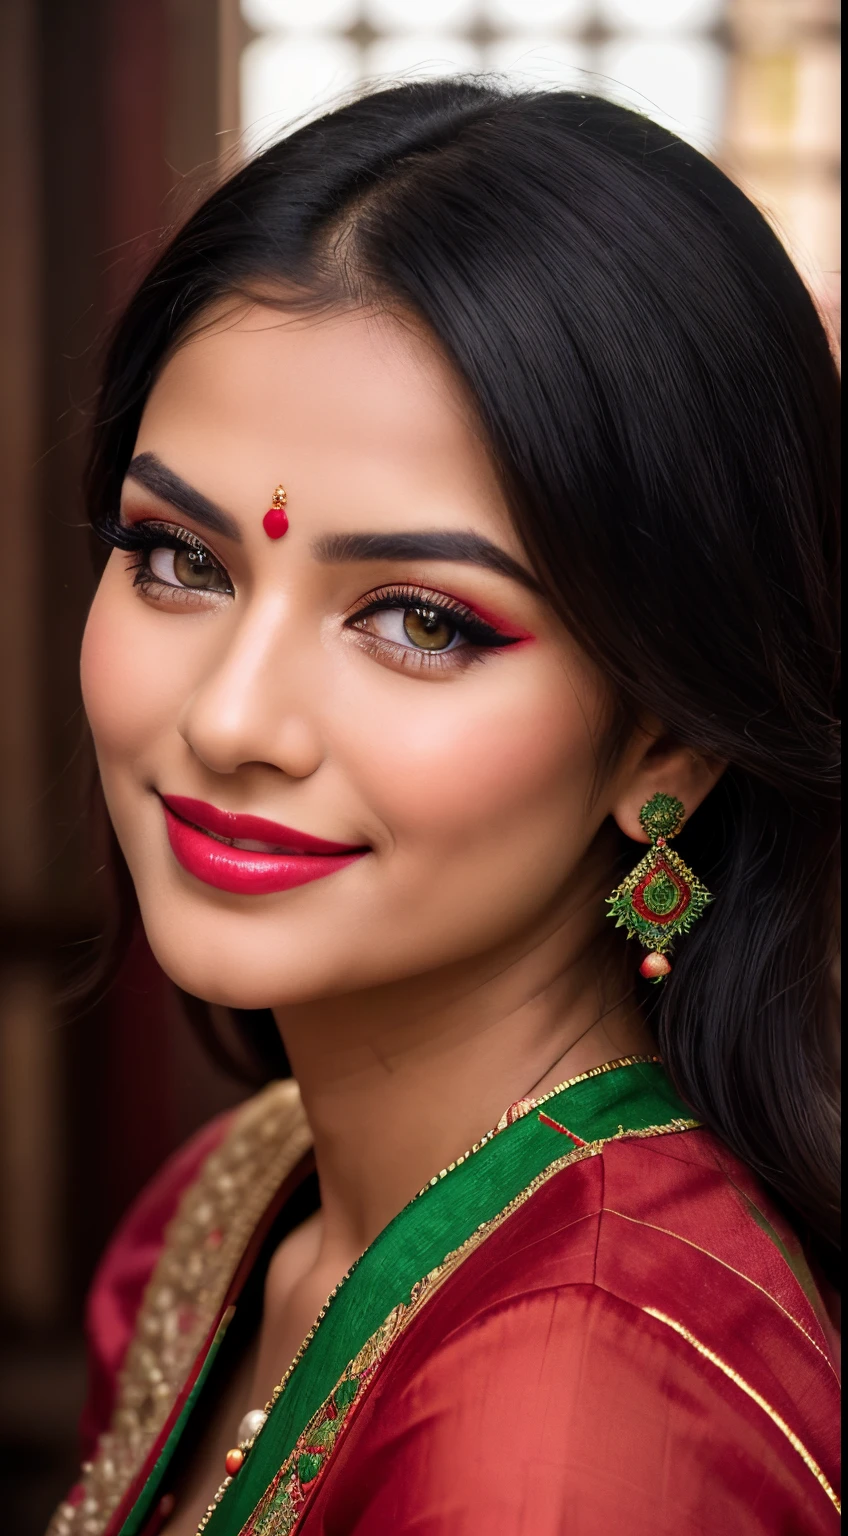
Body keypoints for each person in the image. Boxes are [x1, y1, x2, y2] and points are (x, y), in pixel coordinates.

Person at [49, 81, 840, 1536]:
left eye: (417, 621)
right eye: (177, 559)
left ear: (666, 740)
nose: (229, 718)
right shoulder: (234, 1203)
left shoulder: (571, 1433)